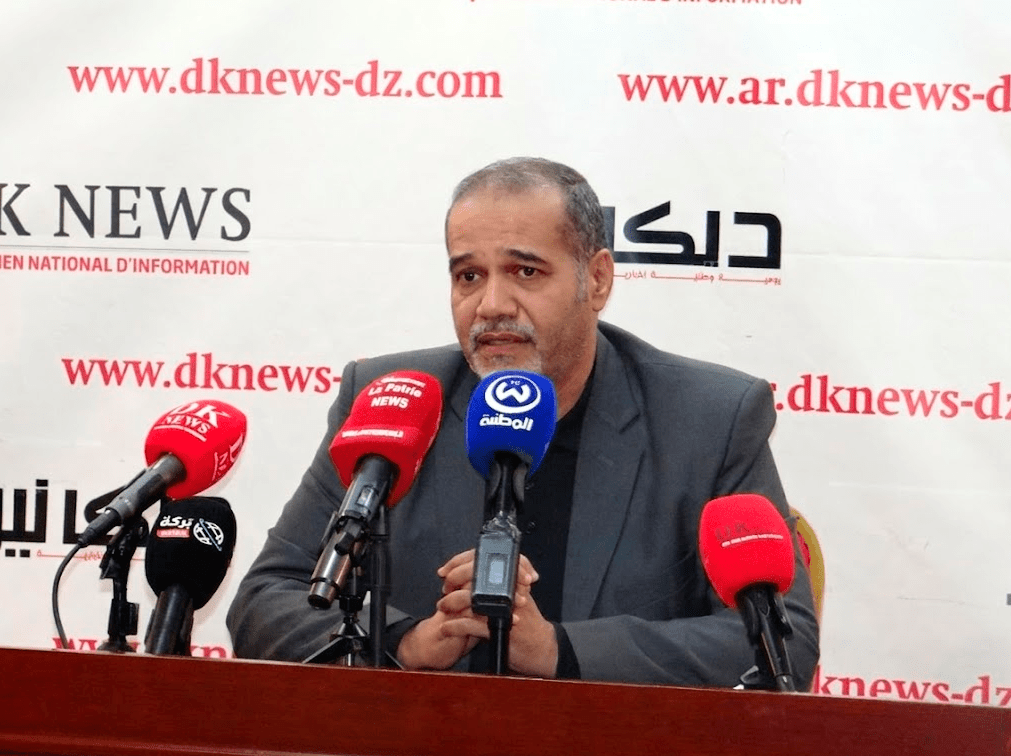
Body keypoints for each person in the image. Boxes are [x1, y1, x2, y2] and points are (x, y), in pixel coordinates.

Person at [226, 157, 820, 687]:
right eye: (469, 276)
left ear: (598, 279)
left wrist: (559, 650)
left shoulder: (708, 420)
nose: (491, 306)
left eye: (525, 272)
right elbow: (265, 601)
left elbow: (780, 643)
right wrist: (405, 643)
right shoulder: (391, 401)